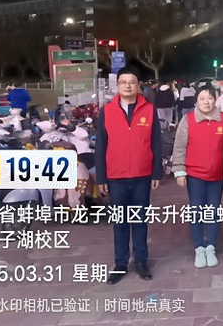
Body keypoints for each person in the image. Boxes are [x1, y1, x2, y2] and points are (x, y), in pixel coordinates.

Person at [95, 66, 165, 285]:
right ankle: (121, 263)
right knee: (120, 222)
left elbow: (156, 142)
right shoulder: (107, 111)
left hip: (142, 175)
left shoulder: (149, 110)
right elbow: (101, 146)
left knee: (140, 220)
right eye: (123, 82)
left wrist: (156, 172)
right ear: (117, 86)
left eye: (132, 82)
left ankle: (141, 261)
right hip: (116, 176)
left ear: (138, 86)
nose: (127, 86)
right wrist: (101, 177)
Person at [171, 84, 223, 269]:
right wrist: (179, 171)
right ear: (196, 100)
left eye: (210, 98)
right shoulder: (187, 120)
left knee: (213, 211)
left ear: (215, 99)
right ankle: (199, 248)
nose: (206, 102)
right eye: (202, 98)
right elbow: (180, 147)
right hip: (195, 175)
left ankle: (210, 247)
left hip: (217, 176)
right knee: (196, 211)